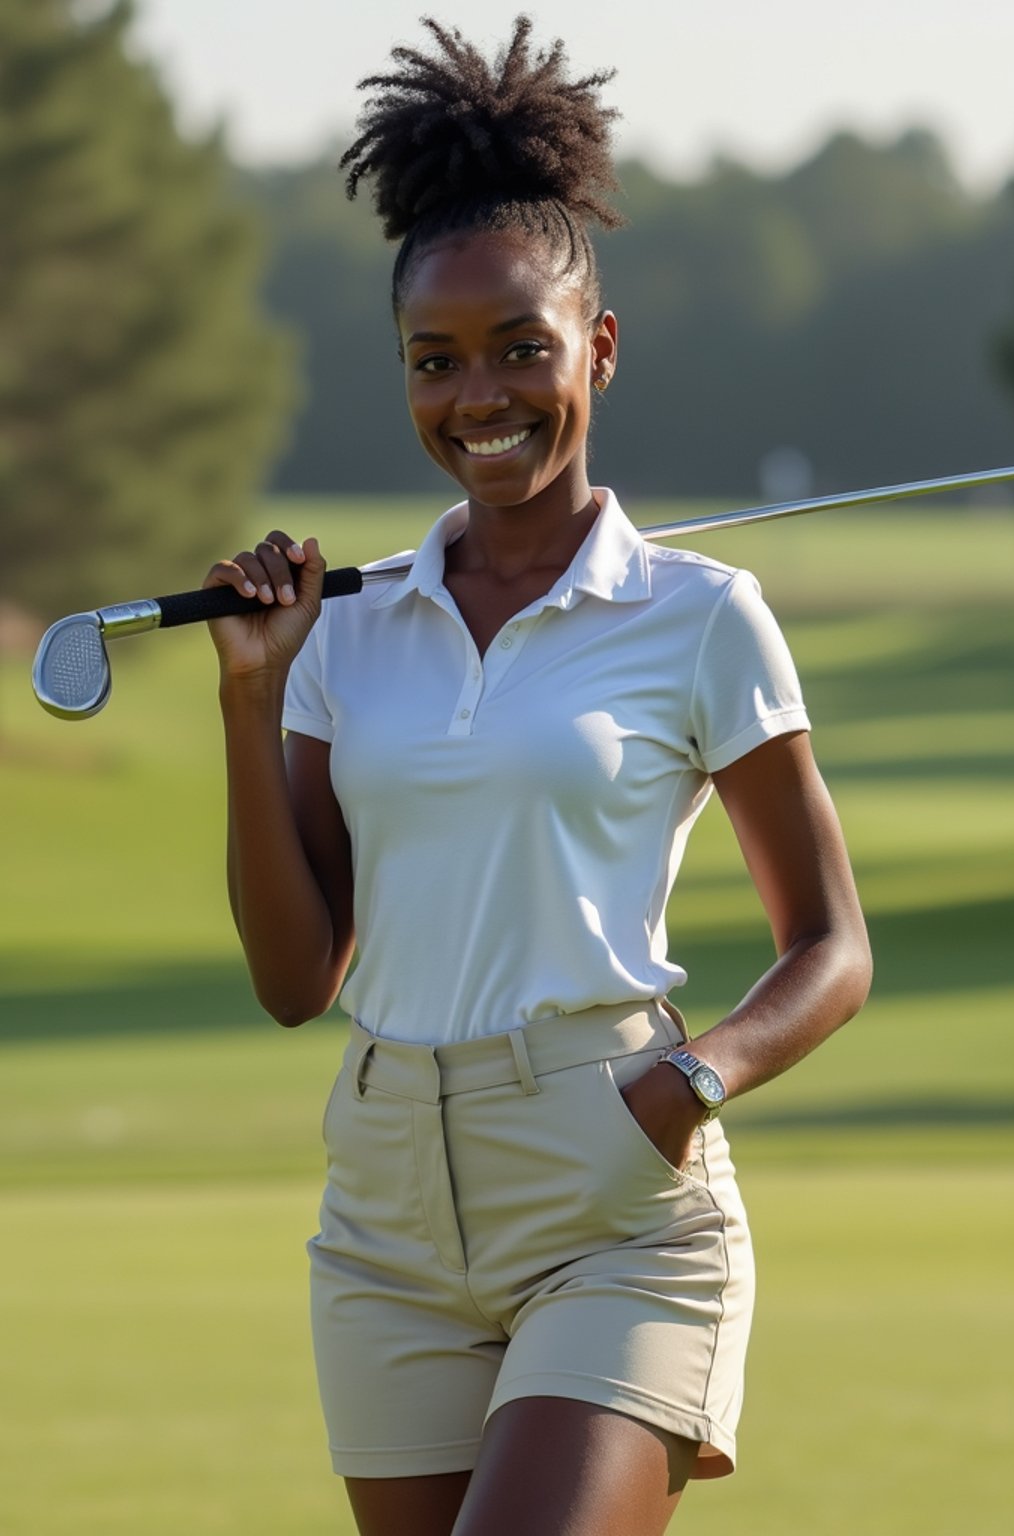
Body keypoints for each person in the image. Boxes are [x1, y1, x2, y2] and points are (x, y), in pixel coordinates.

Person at [202, 18, 872, 1536]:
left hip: (610, 1184)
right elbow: (295, 977)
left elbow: (832, 950)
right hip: (382, 1202)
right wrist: (252, 699)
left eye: (522, 348)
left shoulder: (701, 617)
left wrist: (685, 1085)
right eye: (436, 364)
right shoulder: (343, 629)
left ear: (602, 348)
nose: (479, 396)